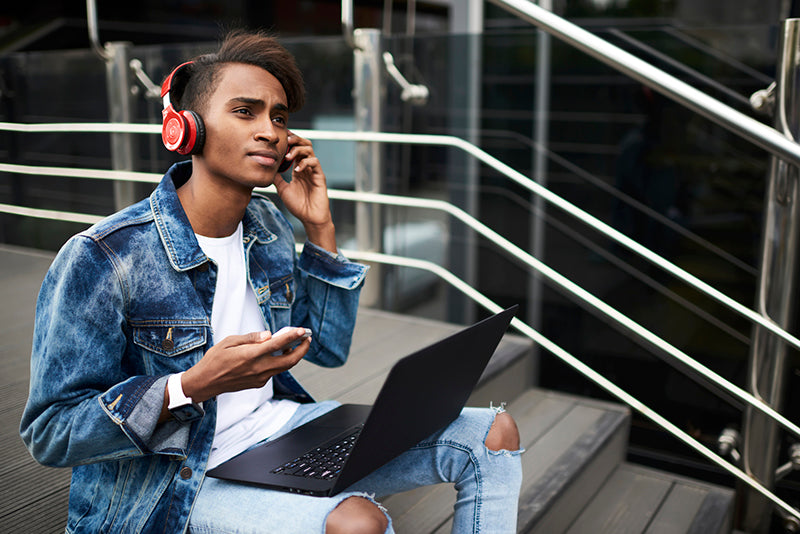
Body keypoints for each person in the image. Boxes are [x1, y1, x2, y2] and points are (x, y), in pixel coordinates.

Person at [20, 30, 523, 533]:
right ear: (185, 129)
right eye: (246, 112)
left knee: (493, 433)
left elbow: (326, 347)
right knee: (357, 523)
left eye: (278, 117)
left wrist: (320, 228)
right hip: (176, 478)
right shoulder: (104, 256)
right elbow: (51, 432)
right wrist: (188, 386)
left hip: (281, 428)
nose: (270, 131)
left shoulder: (269, 228)